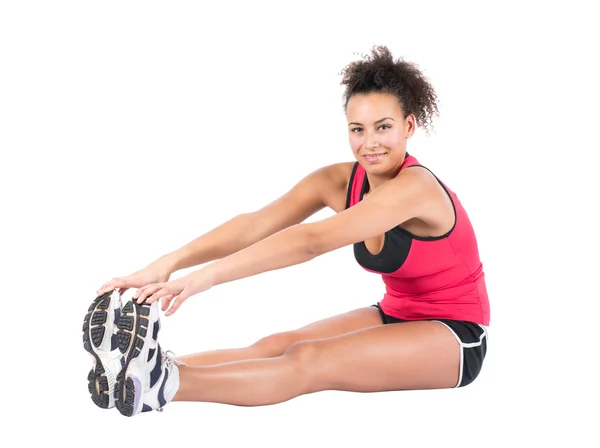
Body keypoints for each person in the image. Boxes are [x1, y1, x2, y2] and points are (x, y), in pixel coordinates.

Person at [84, 45, 490, 417]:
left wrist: (197, 281)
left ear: (409, 125)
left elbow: (311, 241)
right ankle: (135, 371)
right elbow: (256, 224)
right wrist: (165, 265)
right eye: (357, 129)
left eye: (383, 127)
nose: (369, 144)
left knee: (309, 361)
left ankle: (163, 385)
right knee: (275, 345)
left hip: (455, 336)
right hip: (395, 314)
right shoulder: (339, 181)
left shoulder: (415, 189)